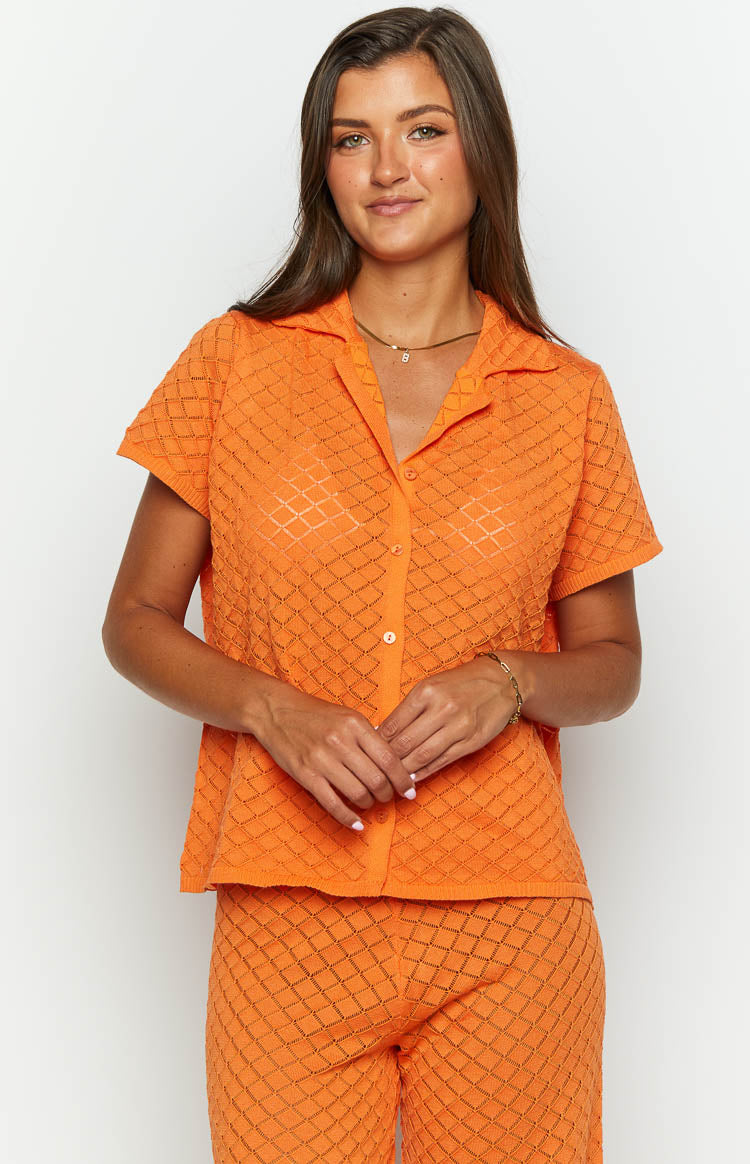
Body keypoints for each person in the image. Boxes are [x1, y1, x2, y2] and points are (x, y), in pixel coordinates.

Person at [103, 6, 663, 1162]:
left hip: (509, 920)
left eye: (423, 129)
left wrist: (507, 681)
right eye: (351, 138)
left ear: (481, 148)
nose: (387, 168)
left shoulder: (564, 395)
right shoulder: (236, 362)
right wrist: (271, 707)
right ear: (324, 168)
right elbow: (135, 621)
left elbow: (614, 665)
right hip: (287, 914)